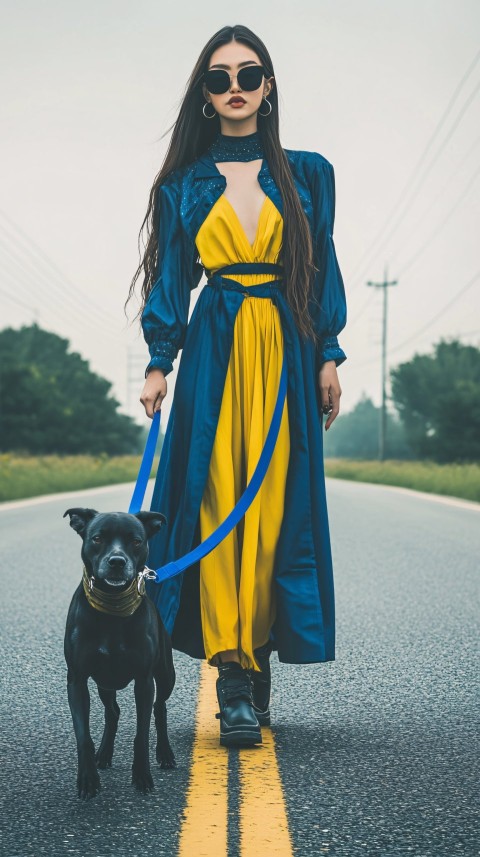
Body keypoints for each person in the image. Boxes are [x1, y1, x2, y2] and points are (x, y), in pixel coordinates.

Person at [125, 24, 347, 748]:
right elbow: (170, 282)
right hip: (218, 347)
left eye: (247, 75)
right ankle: (233, 674)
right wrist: (160, 361)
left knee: (274, 509)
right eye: (218, 79)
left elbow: (318, 274)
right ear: (205, 95)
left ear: (269, 85)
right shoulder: (182, 184)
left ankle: (255, 653)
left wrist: (329, 354)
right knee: (219, 502)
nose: (234, 89)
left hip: (285, 347)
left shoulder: (309, 173)